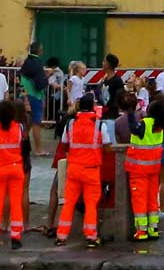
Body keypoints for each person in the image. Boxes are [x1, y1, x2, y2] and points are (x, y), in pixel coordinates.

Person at [56, 94, 107, 246]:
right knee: (91, 204)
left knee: (69, 202)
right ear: (93, 106)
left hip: (74, 168)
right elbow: (108, 146)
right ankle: (91, 236)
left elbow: (64, 144)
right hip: (91, 169)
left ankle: (61, 236)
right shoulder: (99, 125)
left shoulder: (70, 124)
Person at [0, 97, 30, 248]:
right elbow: (23, 144)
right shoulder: (20, 128)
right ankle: (16, 237)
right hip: (16, 168)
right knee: (16, 203)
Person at [128, 110, 164, 243]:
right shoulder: (160, 128)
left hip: (139, 170)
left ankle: (141, 231)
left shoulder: (145, 124)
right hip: (153, 169)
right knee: (152, 200)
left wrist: (130, 113)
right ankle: (153, 228)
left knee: (140, 199)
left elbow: (134, 129)